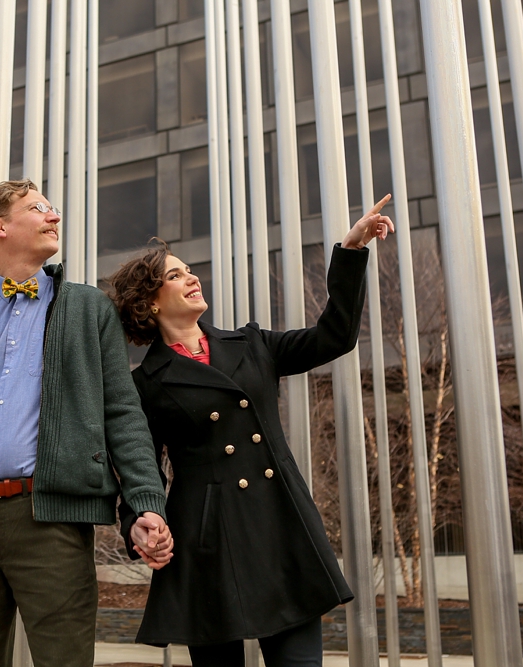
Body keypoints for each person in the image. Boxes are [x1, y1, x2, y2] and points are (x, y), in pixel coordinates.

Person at [108, 195, 395, 667]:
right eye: (175, 275)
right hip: (207, 545)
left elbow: (335, 336)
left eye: (189, 270)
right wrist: (139, 525)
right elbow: (139, 470)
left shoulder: (253, 344)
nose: (192, 277)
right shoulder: (143, 385)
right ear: (150, 301)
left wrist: (351, 251)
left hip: (279, 527)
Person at [0, 179, 173, 667]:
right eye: (38, 208)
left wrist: (145, 502)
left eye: (52, 208)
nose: (53, 216)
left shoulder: (90, 308)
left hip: (52, 520)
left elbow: (122, 411)